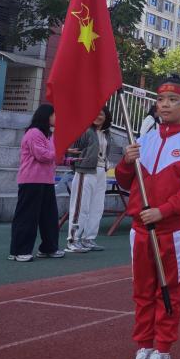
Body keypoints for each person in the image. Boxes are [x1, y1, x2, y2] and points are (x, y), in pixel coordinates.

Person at [117, 75, 180, 359]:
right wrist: (126, 163)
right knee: (142, 292)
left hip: (172, 232)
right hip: (141, 229)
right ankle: (143, 347)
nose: (166, 105)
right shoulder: (142, 140)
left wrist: (164, 210)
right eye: (161, 100)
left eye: (173, 101)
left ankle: (163, 353)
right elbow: (123, 183)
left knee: (168, 291)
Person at [8, 104, 64, 262]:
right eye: (54, 115)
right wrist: (60, 153)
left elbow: (52, 157)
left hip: (46, 181)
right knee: (27, 217)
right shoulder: (34, 133)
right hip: (31, 181)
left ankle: (49, 248)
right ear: (47, 116)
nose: (56, 118)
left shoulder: (48, 135)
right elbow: (42, 155)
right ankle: (19, 251)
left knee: (49, 217)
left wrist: (69, 158)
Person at [65, 106, 112, 253]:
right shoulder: (84, 130)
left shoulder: (106, 133)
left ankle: (88, 238)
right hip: (85, 171)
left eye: (102, 114)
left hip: (101, 171)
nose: (98, 116)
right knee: (80, 207)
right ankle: (73, 240)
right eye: (95, 113)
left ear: (106, 117)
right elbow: (71, 150)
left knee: (97, 208)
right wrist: (78, 165)